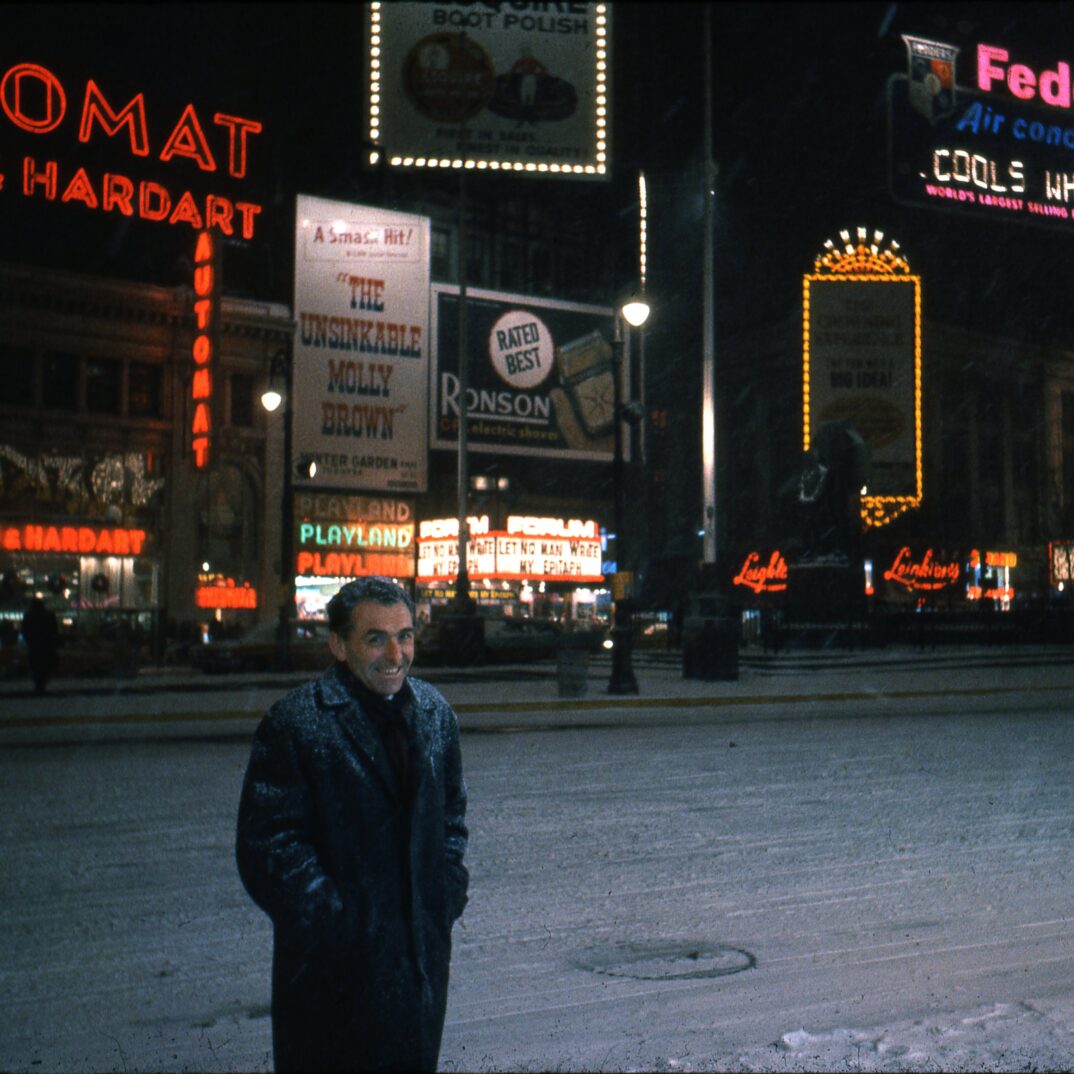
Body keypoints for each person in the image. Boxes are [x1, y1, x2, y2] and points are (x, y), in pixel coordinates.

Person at [236, 577, 469, 1073]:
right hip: (332, 982)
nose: (395, 654)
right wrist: (341, 925)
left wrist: (444, 894)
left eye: (405, 636)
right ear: (338, 645)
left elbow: (451, 819)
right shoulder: (296, 724)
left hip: (419, 974)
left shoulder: (435, 715)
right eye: (375, 638)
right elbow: (269, 849)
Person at [20, 596, 59, 694]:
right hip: (46, 646)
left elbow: (25, 631)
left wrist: (29, 641)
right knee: (45, 667)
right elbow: (54, 631)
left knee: (36, 666)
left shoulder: (29, 616)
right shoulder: (49, 616)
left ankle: (39, 685)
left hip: (34, 646)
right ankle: (42, 684)